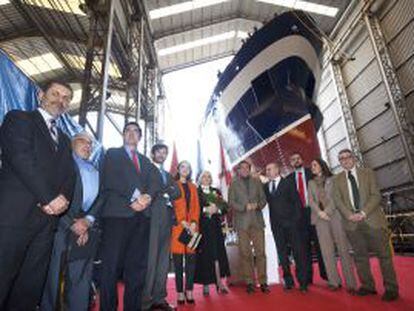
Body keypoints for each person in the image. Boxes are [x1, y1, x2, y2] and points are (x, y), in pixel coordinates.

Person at [0, 81, 76, 310]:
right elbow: (21, 158)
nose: (60, 100)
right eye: (55, 94)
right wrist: (49, 198)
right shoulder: (19, 119)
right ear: (41, 94)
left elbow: (69, 176)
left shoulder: (63, 139)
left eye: (66, 98)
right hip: (14, 218)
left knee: (29, 287)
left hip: (46, 224)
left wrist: (62, 201)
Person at [98, 121, 161, 311]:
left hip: (141, 219)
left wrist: (147, 197)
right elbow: (111, 178)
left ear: (140, 137)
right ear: (123, 135)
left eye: (135, 131)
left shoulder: (146, 161)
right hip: (117, 216)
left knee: (137, 270)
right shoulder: (112, 154)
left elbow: (155, 181)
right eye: (128, 131)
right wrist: (136, 197)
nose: (132, 134)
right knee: (111, 268)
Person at [41, 131, 102, 310]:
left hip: (86, 230)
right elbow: (50, 194)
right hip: (60, 228)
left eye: (90, 143)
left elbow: (101, 198)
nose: (87, 145)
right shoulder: (61, 164)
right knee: (53, 278)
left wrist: (87, 223)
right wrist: (71, 223)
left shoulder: (96, 169)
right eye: (83, 141)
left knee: (81, 278)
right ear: (72, 143)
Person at [332, 149, 399, 302]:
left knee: (384, 256)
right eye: (341, 159)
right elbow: (337, 200)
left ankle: (391, 288)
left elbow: (376, 195)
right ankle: (368, 286)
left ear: (353, 158)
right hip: (351, 224)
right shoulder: (337, 180)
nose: (345, 160)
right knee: (360, 257)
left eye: (347, 157)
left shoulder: (368, 173)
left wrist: (363, 212)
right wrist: (349, 214)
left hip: (372, 220)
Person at [307, 158, 357, 293]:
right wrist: (320, 213)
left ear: (322, 166)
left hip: (335, 216)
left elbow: (336, 198)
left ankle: (351, 283)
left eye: (314, 164)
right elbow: (310, 201)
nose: (312, 167)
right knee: (326, 251)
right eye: (312, 165)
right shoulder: (310, 183)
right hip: (319, 218)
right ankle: (334, 281)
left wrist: (327, 211)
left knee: (343, 249)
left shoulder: (333, 179)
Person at [142, 142, 181, 311]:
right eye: (159, 151)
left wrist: (165, 190)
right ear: (153, 153)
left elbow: (177, 192)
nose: (162, 154)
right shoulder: (147, 169)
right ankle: (145, 301)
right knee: (151, 260)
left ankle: (159, 297)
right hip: (152, 217)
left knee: (163, 261)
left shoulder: (168, 174)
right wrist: (166, 190)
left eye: (165, 152)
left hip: (167, 218)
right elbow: (153, 189)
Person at [263, 162, 308, 292]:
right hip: (276, 226)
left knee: (298, 253)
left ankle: (303, 282)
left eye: (269, 169)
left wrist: (295, 221)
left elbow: (297, 203)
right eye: (267, 169)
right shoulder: (266, 187)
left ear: (277, 169)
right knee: (282, 254)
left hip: (291, 225)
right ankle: (288, 281)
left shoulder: (288, 183)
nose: (267, 171)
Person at [228, 161, 269, 294]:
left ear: (250, 169)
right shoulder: (233, 183)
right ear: (238, 170)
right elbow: (231, 202)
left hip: (257, 222)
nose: (245, 170)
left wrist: (257, 205)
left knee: (261, 253)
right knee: (245, 254)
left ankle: (263, 282)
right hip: (241, 223)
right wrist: (244, 207)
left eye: (247, 167)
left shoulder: (257, 182)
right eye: (242, 168)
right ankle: (249, 282)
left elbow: (263, 199)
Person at [287, 152, 327, 284]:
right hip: (298, 218)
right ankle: (307, 278)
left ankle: (326, 275)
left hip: (315, 213)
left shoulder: (312, 173)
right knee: (303, 249)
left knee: (321, 245)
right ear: (290, 163)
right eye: (293, 159)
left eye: (298, 158)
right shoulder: (288, 179)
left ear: (302, 160)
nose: (296, 161)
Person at [194, 171, 230, 296]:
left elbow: (225, 208)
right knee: (205, 255)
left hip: (215, 227)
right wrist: (205, 209)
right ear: (199, 179)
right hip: (202, 228)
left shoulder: (216, 191)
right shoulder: (196, 192)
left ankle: (220, 282)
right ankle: (206, 284)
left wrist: (218, 209)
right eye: (204, 176)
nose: (207, 178)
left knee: (218, 254)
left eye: (209, 176)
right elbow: (193, 209)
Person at [170, 161, 200, 305]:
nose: (185, 169)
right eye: (183, 167)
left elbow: (196, 206)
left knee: (191, 262)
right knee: (177, 263)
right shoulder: (173, 185)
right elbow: (171, 206)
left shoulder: (193, 187)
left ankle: (189, 290)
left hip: (192, 228)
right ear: (178, 169)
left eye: (188, 167)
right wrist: (182, 221)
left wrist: (193, 222)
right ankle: (180, 292)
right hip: (178, 228)